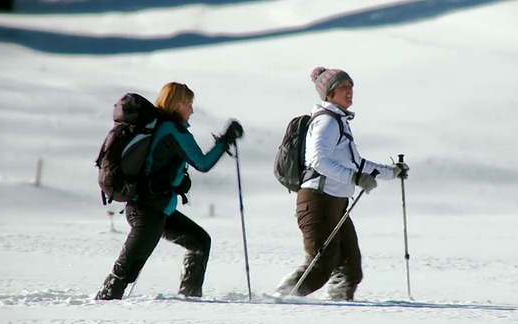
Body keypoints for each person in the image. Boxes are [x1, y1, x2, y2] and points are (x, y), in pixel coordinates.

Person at [95, 82, 244, 300]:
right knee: (123, 273)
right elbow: (202, 163)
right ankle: (102, 306)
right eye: (189, 104)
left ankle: (190, 297)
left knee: (199, 242)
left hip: (154, 209)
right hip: (148, 211)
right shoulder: (172, 130)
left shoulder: (158, 126)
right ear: (178, 104)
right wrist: (225, 141)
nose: (192, 110)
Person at [275, 67, 409, 301]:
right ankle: (279, 301)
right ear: (329, 93)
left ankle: (340, 312)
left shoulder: (339, 122)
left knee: (350, 269)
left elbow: (358, 164)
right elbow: (318, 161)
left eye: (351, 86)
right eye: (343, 87)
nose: (350, 91)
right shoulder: (327, 122)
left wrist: (392, 172)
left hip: (335, 203)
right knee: (320, 266)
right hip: (317, 200)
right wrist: (354, 178)